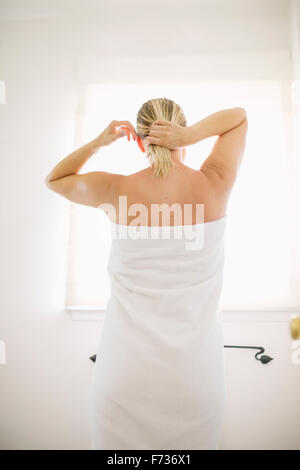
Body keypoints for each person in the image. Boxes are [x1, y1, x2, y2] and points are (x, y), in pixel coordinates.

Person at [45, 98, 248, 450]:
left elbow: (56, 179)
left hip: (124, 376)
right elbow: (238, 118)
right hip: (195, 379)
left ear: (139, 140)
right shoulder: (214, 184)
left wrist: (98, 142)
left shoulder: (116, 189)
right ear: (180, 134)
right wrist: (190, 135)